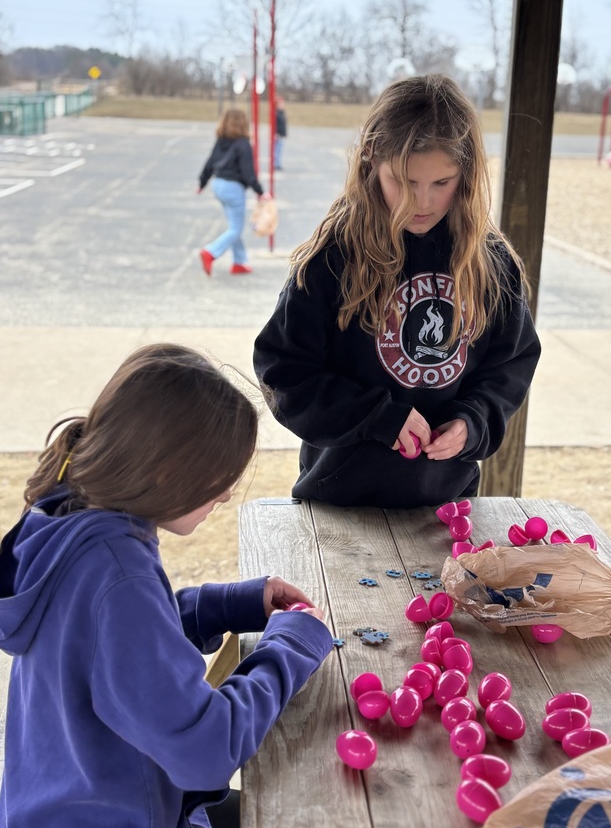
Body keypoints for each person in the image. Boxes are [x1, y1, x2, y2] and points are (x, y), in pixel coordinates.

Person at [0, 343, 332, 828]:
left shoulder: (75, 520)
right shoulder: (117, 572)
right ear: (168, 472)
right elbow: (207, 748)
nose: (227, 494)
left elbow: (118, 649)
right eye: (221, 477)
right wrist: (290, 646)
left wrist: (231, 605)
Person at [253, 73, 541, 509]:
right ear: (371, 162)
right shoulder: (333, 257)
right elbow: (283, 372)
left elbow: (511, 364)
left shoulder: (490, 263)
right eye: (404, 182)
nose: (421, 202)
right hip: (337, 502)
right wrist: (376, 417)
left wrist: (474, 421)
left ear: (465, 174)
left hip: (446, 505)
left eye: (441, 183)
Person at [197, 108, 268, 276]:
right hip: (233, 188)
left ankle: (239, 261)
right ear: (243, 123)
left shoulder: (221, 140)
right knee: (236, 229)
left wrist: (202, 182)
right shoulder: (243, 144)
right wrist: (260, 192)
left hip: (218, 185)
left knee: (233, 226)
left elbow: (209, 163)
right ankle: (210, 252)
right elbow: (248, 172)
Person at [273, 96, 287, 170]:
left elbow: (283, 125)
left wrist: (284, 134)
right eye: (280, 103)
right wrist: (275, 133)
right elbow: (275, 125)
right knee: (276, 150)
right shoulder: (276, 113)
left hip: (281, 134)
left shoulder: (282, 113)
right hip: (277, 135)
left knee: (279, 149)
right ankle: (275, 164)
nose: (282, 105)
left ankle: (277, 163)